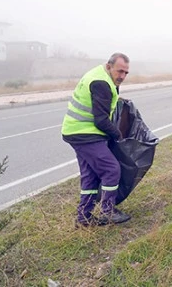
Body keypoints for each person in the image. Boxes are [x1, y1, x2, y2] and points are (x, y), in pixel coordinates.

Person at [62, 52, 132, 227]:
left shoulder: (99, 74)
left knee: (90, 175)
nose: (122, 76)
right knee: (111, 170)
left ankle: (83, 217)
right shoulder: (101, 83)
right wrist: (118, 135)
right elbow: (101, 120)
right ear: (109, 66)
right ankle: (108, 212)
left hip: (74, 131)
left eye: (125, 73)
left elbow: (102, 101)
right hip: (86, 133)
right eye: (119, 71)